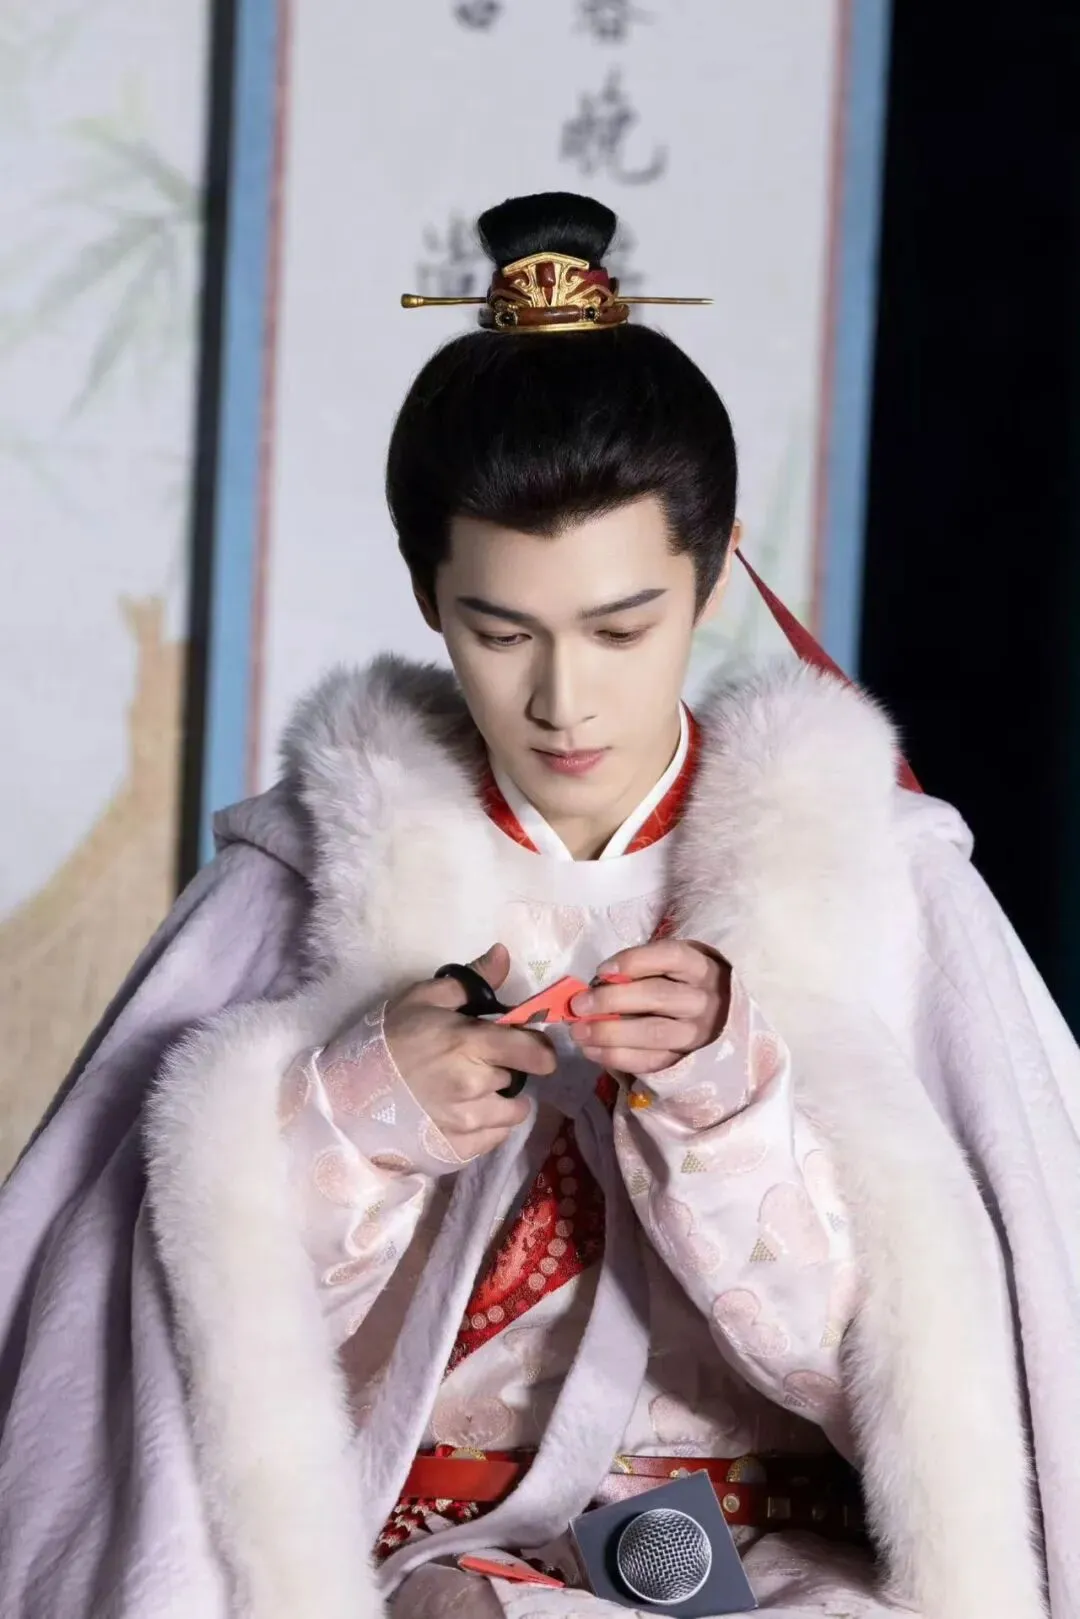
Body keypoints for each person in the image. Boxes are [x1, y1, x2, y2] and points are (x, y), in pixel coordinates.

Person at [0, 192, 1076, 1619]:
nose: (564, 699)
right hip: (441, 1563)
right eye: (500, 631)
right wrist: (362, 1115)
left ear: (713, 569)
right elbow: (162, 1351)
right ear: (426, 594)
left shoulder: (884, 876)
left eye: (622, 628)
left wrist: (727, 1114)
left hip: (802, 1562)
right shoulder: (305, 877)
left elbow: (958, 1371)